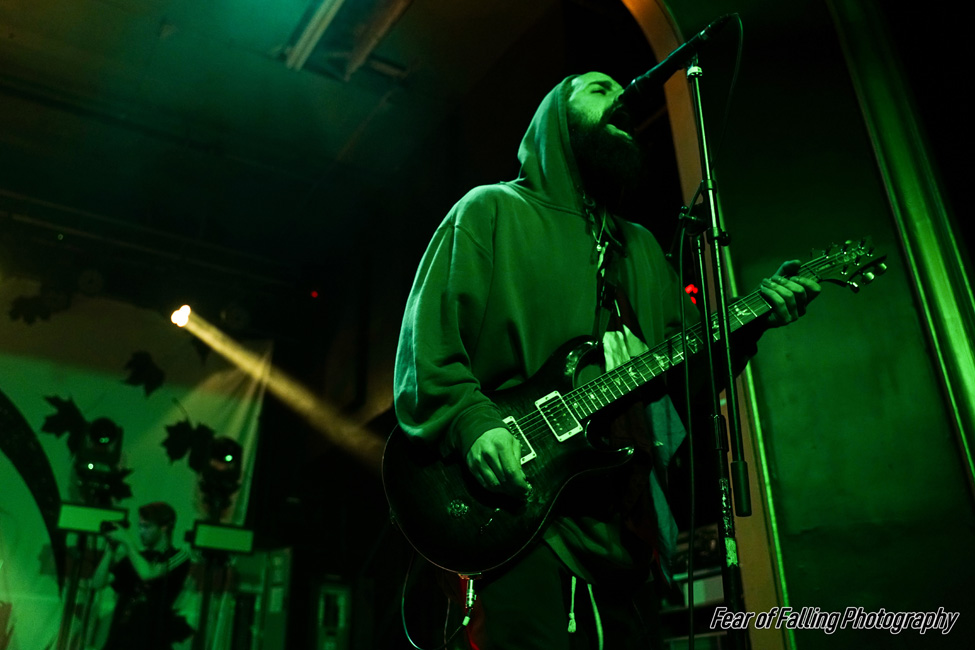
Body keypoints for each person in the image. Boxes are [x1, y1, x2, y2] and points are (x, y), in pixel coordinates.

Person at [393, 72, 820, 649]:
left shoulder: (641, 248)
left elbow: (688, 380)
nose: (618, 97)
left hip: (625, 529)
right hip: (520, 515)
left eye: (620, 90)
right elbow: (429, 347)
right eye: (598, 89)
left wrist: (750, 328)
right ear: (555, 123)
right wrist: (474, 424)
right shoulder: (491, 211)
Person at [92, 501, 194, 650]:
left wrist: (127, 541)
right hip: (119, 639)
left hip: (150, 640)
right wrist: (110, 550)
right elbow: (97, 583)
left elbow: (148, 573)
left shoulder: (179, 556)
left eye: (146, 527)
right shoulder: (136, 557)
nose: (141, 532)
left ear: (164, 527)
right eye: (140, 526)